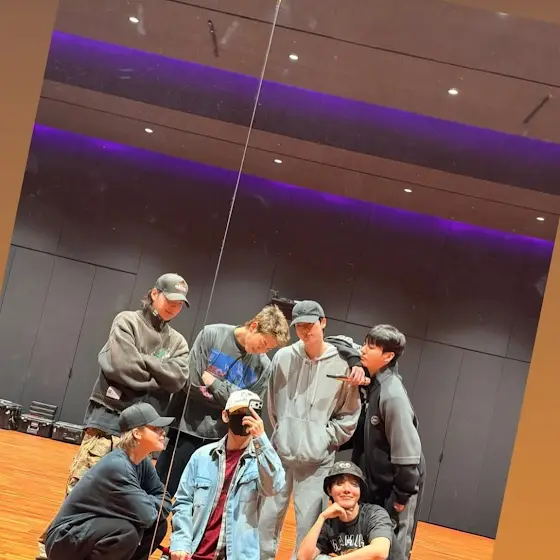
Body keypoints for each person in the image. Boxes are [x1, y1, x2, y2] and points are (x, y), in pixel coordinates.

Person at [37, 272, 190, 559]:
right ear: (154, 293)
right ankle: (53, 550)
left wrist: (143, 364)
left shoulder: (178, 342)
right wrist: (159, 373)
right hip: (107, 424)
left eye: (180, 303)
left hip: (143, 433)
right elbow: (123, 368)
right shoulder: (127, 321)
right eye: (170, 299)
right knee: (83, 493)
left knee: (132, 509)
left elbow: (178, 379)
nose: (174, 307)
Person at [259, 300, 362, 560]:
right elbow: (273, 405)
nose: (305, 331)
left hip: (317, 462)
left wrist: (323, 438)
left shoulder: (342, 365)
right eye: (299, 326)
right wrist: (284, 432)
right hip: (280, 455)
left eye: (310, 325)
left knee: (309, 527)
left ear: (323, 322)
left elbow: (349, 414)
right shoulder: (283, 357)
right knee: (266, 520)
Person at [157, 304, 290, 497]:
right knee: (163, 494)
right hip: (185, 430)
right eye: (263, 343)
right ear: (254, 326)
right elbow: (191, 384)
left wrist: (213, 383)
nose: (263, 351)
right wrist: (232, 398)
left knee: (201, 501)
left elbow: (246, 408)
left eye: (269, 348)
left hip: (220, 442)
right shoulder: (211, 335)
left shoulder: (264, 366)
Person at [333, 325, 425, 560]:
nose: (363, 350)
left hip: (398, 487)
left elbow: (407, 455)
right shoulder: (374, 383)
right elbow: (335, 340)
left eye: (371, 347)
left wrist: (401, 497)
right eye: (365, 343)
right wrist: (355, 362)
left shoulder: (392, 394)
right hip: (377, 485)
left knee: (394, 549)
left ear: (388, 356)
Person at [44, 403, 174, 560]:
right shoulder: (117, 466)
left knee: (158, 525)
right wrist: (145, 504)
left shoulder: (142, 461)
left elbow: (164, 499)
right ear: (137, 433)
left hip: (90, 531)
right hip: (64, 539)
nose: (162, 432)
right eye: (155, 428)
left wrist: (143, 503)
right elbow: (148, 514)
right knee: (125, 531)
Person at [169, 389, 285, 560]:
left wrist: (261, 439)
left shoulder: (262, 461)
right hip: (193, 552)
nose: (246, 418)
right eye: (240, 412)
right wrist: (181, 542)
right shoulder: (202, 456)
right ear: (225, 415)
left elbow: (274, 487)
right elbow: (183, 501)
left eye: (252, 413)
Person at [297, 461, 392, 560]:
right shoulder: (328, 522)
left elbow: (380, 552)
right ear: (329, 490)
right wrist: (322, 517)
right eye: (339, 484)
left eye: (354, 484)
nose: (347, 489)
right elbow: (303, 557)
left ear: (360, 491)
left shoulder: (375, 514)